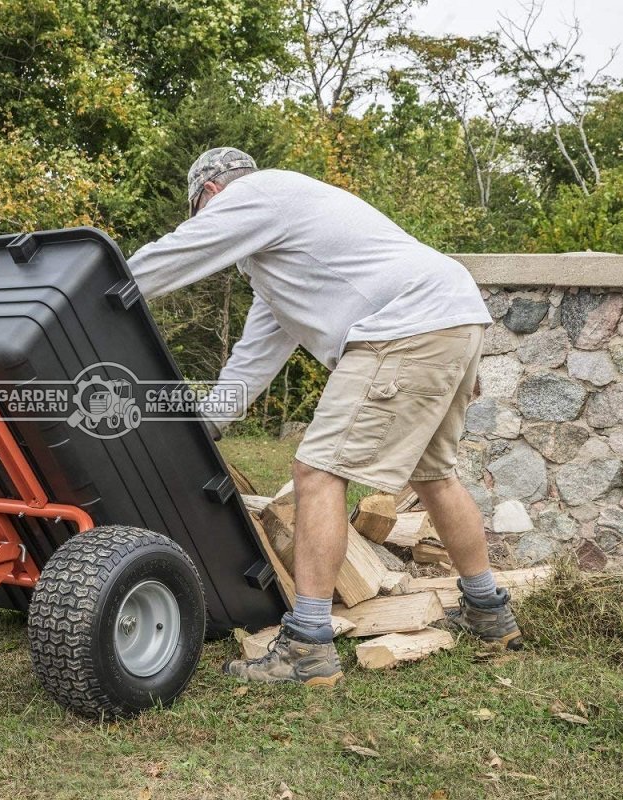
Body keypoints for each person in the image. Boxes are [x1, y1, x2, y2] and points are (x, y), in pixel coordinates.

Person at [126, 148, 522, 687]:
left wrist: (89, 286)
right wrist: (208, 422)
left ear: (211, 194)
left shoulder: (255, 193)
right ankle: (488, 612)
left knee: (316, 471)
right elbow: (257, 354)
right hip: (453, 317)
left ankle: (307, 645)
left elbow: (170, 258)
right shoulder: (287, 251)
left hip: (404, 325)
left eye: (201, 212)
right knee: (434, 474)